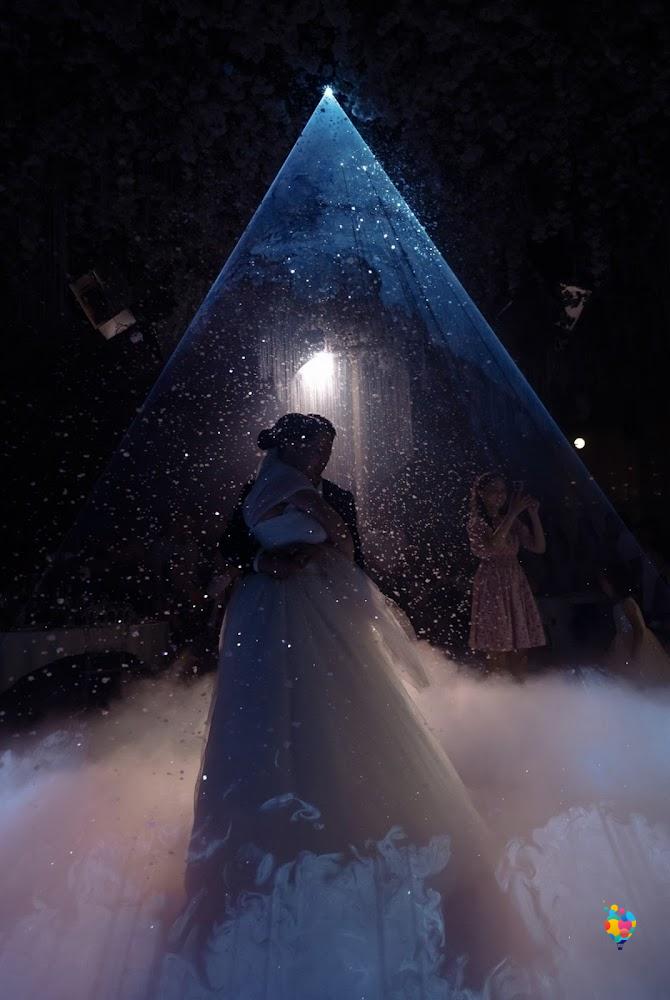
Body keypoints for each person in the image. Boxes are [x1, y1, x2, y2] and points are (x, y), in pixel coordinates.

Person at [158, 415, 540, 998]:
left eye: (327, 447)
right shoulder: (254, 491)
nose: (321, 457)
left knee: (341, 713)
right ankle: (259, 833)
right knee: (262, 719)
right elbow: (224, 557)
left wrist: (330, 557)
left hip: (324, 615)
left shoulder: (336, 496)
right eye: (313, 446)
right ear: (289, 445)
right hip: (265, 616)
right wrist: (263, 564)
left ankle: (350, 814)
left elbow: (353, 558)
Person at [468, 472, 546, 679]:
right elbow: (494, 544)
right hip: (492, 582)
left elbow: (538, 547)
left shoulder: (509, 520)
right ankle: (497, 690)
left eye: (503, 490)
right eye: (494, 490)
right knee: (497, 645)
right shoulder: (477, 522)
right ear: (482, 493)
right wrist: (513, 512)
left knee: (521, 645)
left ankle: (519, 688)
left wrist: (533, 514)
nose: (500, 495)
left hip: (514, 579)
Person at [598, 563, 670, 685]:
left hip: (634, 642)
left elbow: (639, 629)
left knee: (640, 677)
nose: (603, 587)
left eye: (605, 584)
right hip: (625, 641)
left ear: (612, 583)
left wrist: (634, 654)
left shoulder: (627, 603)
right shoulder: (618, 604)